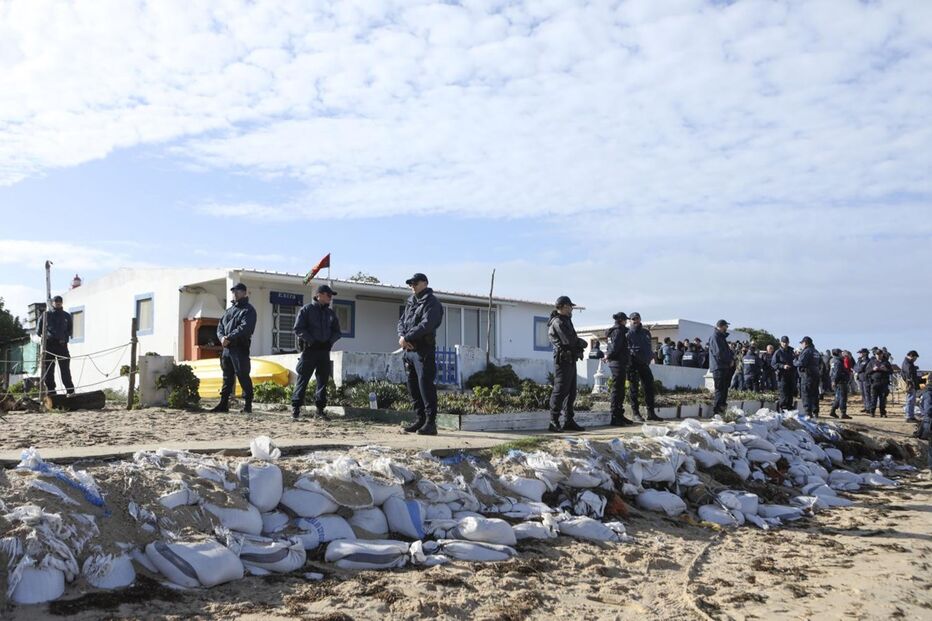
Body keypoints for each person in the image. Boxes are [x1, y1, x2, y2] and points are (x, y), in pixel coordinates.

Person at [397, 273, 444, 435]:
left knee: (425, 386)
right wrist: (402, 337)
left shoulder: (432, 303)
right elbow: (401, 322)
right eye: (410, 284)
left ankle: (430, 423)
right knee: (413, 387)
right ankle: (420, 419)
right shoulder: (411, 302)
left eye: (415, 283)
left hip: (423, 350)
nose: (412, 286)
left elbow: (427, 325)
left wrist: (407, 338)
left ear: (425, 283)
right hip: (409, 350)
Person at [292, 284, 342, 421]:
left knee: (323, 381)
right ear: (319, 295)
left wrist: (329, 342)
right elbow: (298, 328)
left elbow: (337, 332)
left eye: (331, 296)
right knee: (303, 379)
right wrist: (311, 341)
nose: (330, 298)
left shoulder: (330, 313)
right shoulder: (307, 310)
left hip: (324, 352)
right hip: (309, 351)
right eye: (328, 295)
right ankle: (296, 409)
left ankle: (320, 410)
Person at [213, 283, 257, 413]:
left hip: (240, 348)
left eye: (238, 291)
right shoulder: (229, 310)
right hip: (227, 349)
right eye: (233, 291)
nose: (235, 293)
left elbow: (245, 328)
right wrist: (222, 338)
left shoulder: (249, 310)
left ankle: (247, 406)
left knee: (243, 375)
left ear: (244, 293)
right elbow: (220, 327)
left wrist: (229, 338)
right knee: (227, 377)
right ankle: (223, 404)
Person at [547, 296, 587, 432]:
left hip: (570, 359)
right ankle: (553, 421)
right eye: (570, 306)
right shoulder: (558, 321)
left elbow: (572, 339)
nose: (571, 309)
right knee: (560, 390)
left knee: (571, 391)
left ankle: (568, 420)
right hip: (562, 360)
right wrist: (580, 343)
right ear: (564, 306)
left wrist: (578, 345)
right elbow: (568, 340)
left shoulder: (566, 320)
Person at [36, 295, 75, 395]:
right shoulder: (46, 315)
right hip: (49, 346)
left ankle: (70, 391)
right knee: (49, 370)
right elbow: (38, 331)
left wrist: (64, 337)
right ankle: (51, 391)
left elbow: (70, 330)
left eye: (59, 301)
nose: (58, 303)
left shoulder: (66, 316)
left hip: (62, 346)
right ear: (52, 303)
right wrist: (47, 337)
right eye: (56, 301)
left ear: (62, 303)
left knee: (65, 370)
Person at [626, 312, 659, 421]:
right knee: (634, 389)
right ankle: (636, 413)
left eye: (637, 318)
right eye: (633, 319)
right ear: (630, 321)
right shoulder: (628, 333)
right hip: (633, 364)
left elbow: (648, 347)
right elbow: (626, 349)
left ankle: (651, 413)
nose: (635, 320)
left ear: (640, 319)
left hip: (644, 364)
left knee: (649, 386)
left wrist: (651, 356)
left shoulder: (646, 332)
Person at [604, 312, 633, 426]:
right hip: (617, 362)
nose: (626, 322)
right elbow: (615, 347)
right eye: (625, 320)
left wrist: (608, 355)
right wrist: (608, 356)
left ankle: (619, 414)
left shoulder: (614, 331)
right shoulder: (619, 331)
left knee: (620, 390)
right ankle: (615, 416)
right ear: (622, 320)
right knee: (617, 390)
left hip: (617, 362)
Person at [708, 319, 735, 415]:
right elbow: (719, 353)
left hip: (724, 367)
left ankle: (722, 410)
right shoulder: (715, 337)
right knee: (719, 390)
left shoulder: (721, 337)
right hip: (719, 367)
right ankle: (717, 412)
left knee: (724, 390)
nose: (727, 328)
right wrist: (729, 361)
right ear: (721, 326)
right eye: (726, 326)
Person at [794, 336, 821, 417]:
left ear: (805, 343)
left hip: (807, 375)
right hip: (815, 375)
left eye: (802, 343)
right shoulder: (816, 351)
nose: (801, 345)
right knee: (815, 394)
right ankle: (815, 412)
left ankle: (808, 413)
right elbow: (820, 363)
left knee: (806, 394)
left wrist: (794, 361)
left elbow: (801, 363)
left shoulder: (806, 351)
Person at [772, 336, 797, 412]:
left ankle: (789, 409)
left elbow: (795, 361)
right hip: (782, 376)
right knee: (784, 393)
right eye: (783, 342)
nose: (785, 344)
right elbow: (773, 364)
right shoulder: (778, 352)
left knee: (790, 393)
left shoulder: (792, 351)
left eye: (786, 342)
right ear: (781, 342)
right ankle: (783, 409)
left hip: (791, 375)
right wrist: (783, 366)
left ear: (788, 342)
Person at [866, 350, 894, 418]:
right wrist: (873, 369)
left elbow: (891, 371)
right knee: (873, 399)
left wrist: (885, 369)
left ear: (882, 354)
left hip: (883, 383)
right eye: (877, 354)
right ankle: (872, 412)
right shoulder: (872, 362)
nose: (878, 355)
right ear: (875, 355)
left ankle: (883, 412)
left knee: (883, 399)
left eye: (879, 354)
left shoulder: (886, 362)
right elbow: (867, 372)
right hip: (874, 383)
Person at [829, 348, 853, 419]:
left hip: (837, 381)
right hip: (841, 381)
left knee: (838, 397)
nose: (842, 354)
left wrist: (833, 380)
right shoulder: (838, 362)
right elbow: (837, 372)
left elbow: (831, 372)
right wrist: (835, 380)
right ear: (838, 353)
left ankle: (833, 411)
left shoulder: (832, 360)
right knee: (843, 397)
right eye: (840, 353)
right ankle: (843, 413)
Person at [901, 350, 920, 422]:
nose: (915, 360)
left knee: (912, 400)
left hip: (911, 384)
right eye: (915, 358)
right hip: (910, 384)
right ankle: (909, 416)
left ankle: (911, 415)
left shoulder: (908, 363)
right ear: (912, 356)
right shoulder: (907, 363)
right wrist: (913, 383)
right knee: (910, 400)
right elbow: (909, 374)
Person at [854, 349, 872, 413]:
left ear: (865, 353)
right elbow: (855, 367)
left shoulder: (868, 360)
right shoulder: (859, 360)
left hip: (866, 378)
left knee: (867, 393)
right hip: (860, 378)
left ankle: (869, 407)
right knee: (863, 394)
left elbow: (861, 368)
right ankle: (866, 406)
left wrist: (857, 369)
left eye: (861, 353)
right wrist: (857, 369)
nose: (860, 354)